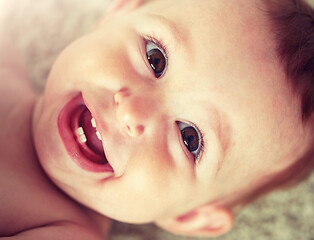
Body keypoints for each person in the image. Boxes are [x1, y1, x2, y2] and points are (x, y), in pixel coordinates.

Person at [1, 0, 313, 238]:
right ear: (122, 10)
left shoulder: (58, 230)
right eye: (155, 59)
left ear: (189, 216)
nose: (132, 111)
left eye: (190, 138)